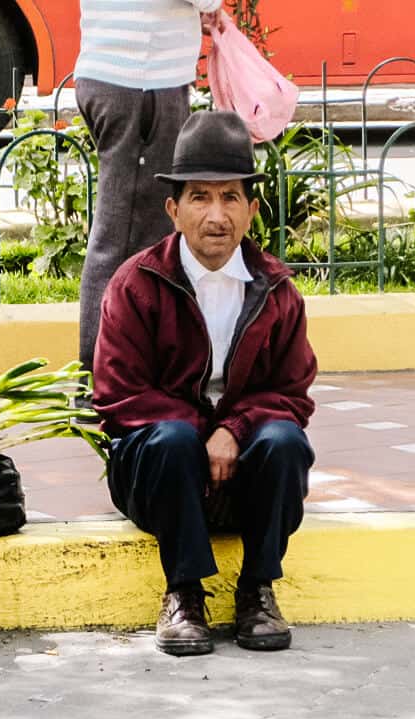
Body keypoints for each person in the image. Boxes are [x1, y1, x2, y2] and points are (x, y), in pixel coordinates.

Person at [93, 111, 317, 656]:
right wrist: (204, 433)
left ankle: (257, 592)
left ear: (251, 209)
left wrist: (236, 431)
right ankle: (183, 593)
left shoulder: (277, 290)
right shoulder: (136, 285)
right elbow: (118, 395)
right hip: (162, 475)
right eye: (199, 198)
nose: (215, 216)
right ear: (173, 209)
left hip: (241, 476)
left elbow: (293, 392)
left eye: (230, 198)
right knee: (169, 439)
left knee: (285, 442)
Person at [74, 0, 226, 400]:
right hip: (139, 81)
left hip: (113, 74)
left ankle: (122, 373)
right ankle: (99, 382)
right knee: (123, 238)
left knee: (136, 234)